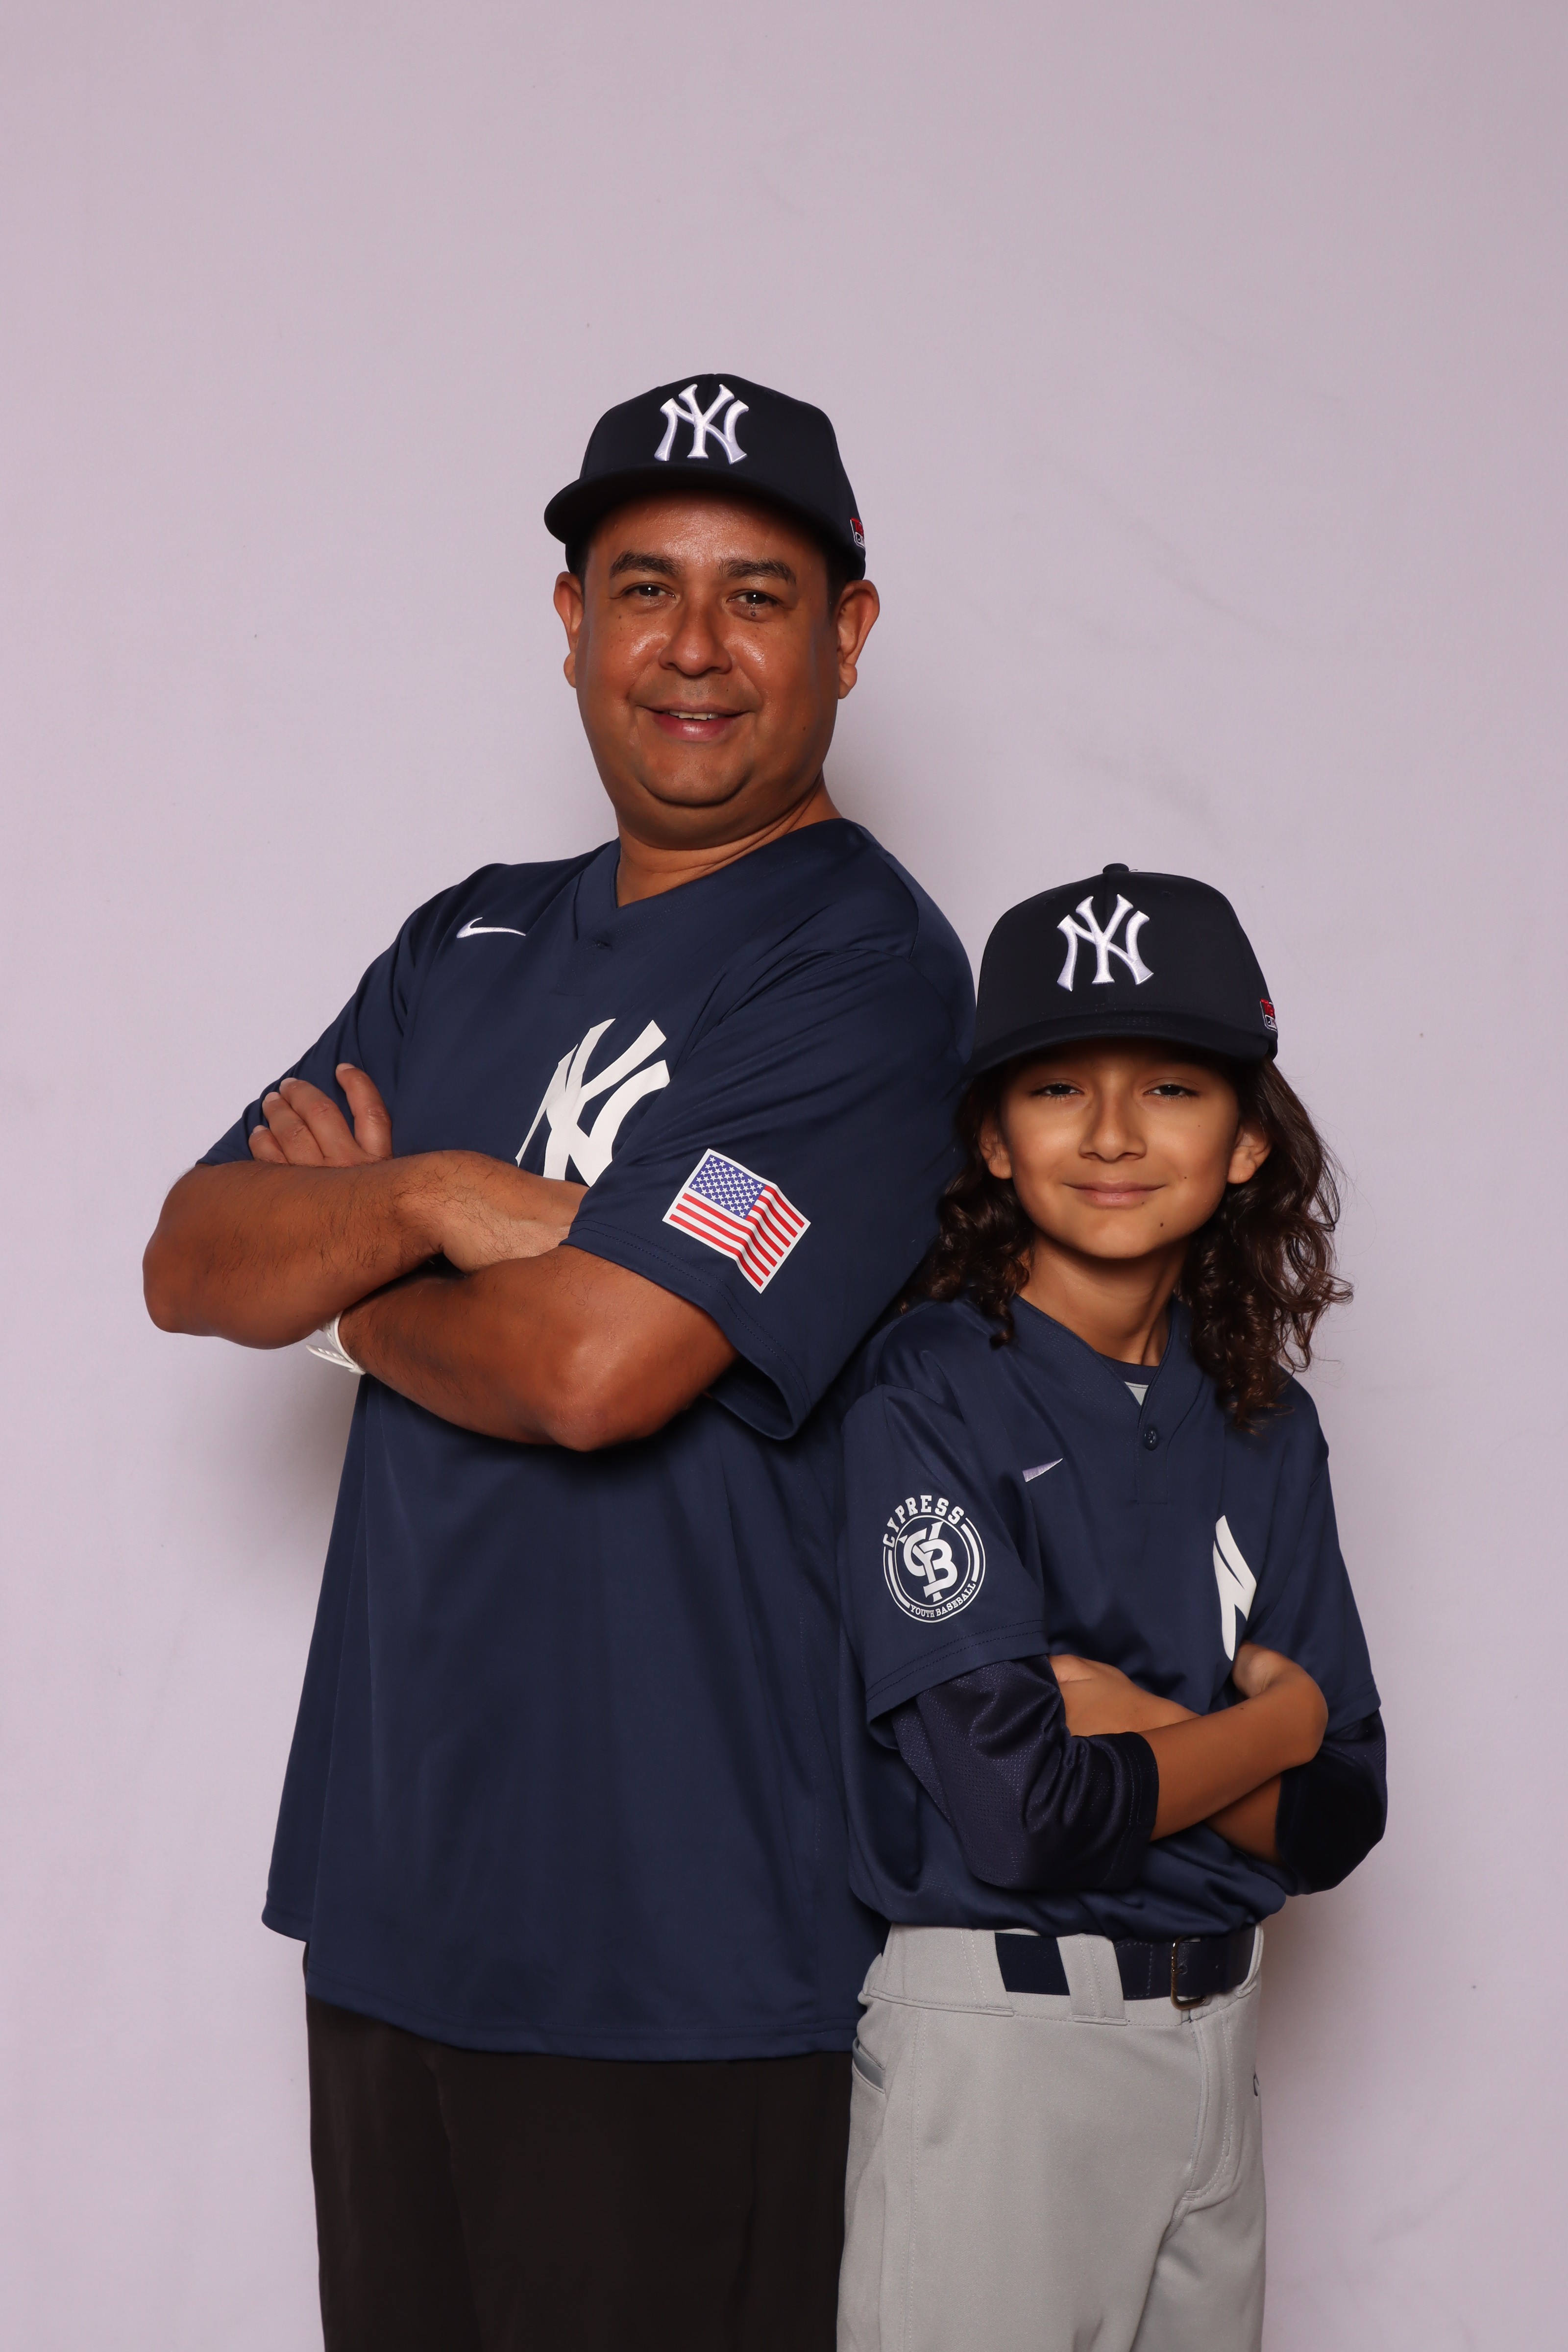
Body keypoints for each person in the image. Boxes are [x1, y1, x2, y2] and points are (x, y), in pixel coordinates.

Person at [142, 373, 974, 2352]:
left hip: (678, 1942)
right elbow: (190, 1255)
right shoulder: (467, 947)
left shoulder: (862, 972)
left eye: (757, 595)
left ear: (849, 634)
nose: (692, 647)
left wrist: (345, 1286)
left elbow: (601, 1365)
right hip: (396, 1896)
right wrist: (442, 1195)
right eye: (642, 588)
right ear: (571, 622)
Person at [834, 865, 1386, 2352]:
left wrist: (1157, 1725)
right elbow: (1026, 1816)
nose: (1114, 1134)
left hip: (1220, 2047)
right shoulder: (928, 1392)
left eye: (1173, 1087)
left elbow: (1341, 1815)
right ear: (994, 1139)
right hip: (1008, 2051)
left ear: (1249, 1137)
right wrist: (1273, 1725)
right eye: (1059, 1087)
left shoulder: (1265, 1420)